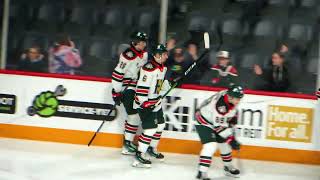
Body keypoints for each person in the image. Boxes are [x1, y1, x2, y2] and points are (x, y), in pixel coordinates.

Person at [132, 44, 171, 168]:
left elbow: (160, 84)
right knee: (150, 129)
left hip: (155, 102)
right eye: (164, 54)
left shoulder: (162, 68)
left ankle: (151, 149)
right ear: (158, 55)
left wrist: (169, 85)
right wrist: (145, 103)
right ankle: (139, 155)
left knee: (160, 125)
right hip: (145, 104)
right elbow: (142, 87)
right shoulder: (149, 68)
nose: (166, 55)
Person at [195, 84, 243, 179]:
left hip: (215, 119)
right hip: (204, 121)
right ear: (230, 97)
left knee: (224, 144)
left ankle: (228, 167)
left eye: (239, 98)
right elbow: (219, 128)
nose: (238, 100)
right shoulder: (221, 106)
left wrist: (233, 121)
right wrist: (232, 140)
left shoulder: (229, 96)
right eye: (237, 98)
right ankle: (202, 172)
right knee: (210, 145)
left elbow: (231, 112)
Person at [111, 31, 148, 155]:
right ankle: (127, 144)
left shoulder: (144, 54)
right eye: (141, 41)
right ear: (135, 42)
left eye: (144, 41)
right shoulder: (128, 55)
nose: (144, 44)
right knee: (134, 116)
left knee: (134, 116)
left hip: (136, 88)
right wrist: (116, 92)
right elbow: (118, 73)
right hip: (127, 89)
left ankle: (127, 143)